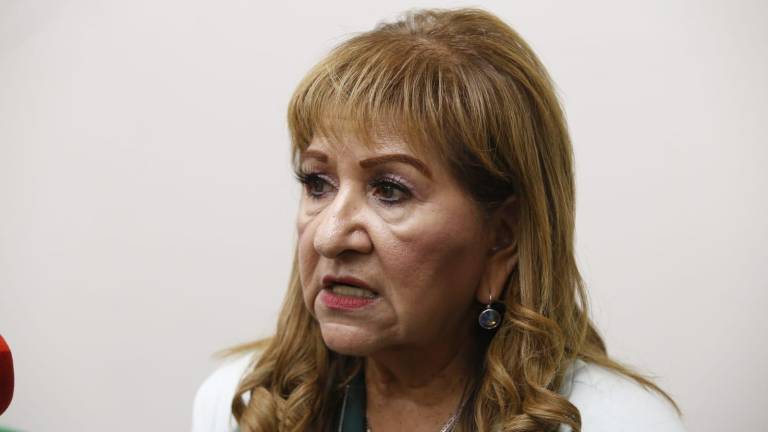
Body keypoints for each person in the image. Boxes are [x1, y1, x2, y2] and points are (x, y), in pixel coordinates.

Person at [192, 7, 687, 432]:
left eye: (389, 190)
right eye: (317, 183)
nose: (329, 235)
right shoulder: (244, 406)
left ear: (503, 237)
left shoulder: (616, 422)